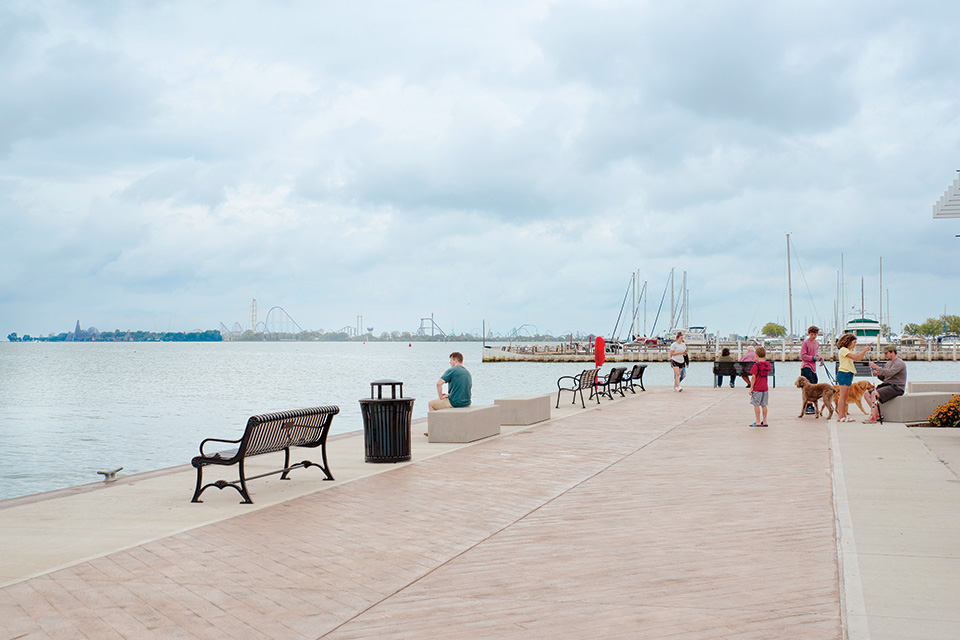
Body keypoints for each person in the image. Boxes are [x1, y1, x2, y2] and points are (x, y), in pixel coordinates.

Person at [863, 346, 907, 423]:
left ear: (892, 352)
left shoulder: (899, 363)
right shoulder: (888, 363)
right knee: (866, 393)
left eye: (886, 353)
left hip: (897, 387)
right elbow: (885, 377)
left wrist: (876, 367)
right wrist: (878, 375)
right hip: (887, 385)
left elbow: (890, 373)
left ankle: (872, 417)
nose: (885, 355)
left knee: (874, 394)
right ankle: (877, 415)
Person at [836, 333, 870, 423]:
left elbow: (858, 359)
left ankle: (844, 416)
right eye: (854, 342)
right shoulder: (843, 350)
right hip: (844, 373)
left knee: (845, 396)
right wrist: (863, 350)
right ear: (848, 342)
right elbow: (855, 357)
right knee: (842, 397)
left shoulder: (849, 350)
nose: (855, 344)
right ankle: (840, 416)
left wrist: (864, 352)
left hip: (849, 374)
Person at [800, 326, 822, 414]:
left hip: (813, 368)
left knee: (815, 384)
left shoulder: (817, 343)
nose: (813, 336)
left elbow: (815, 355)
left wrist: (819, 358)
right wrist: (813, 358)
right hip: (806, 366)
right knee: (808, 387)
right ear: (809, 334)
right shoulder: (805, 343)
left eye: (815, 334)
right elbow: (803, 355)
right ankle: (808, 406)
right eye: (812, 334)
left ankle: (811, 404)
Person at [749, 346, 771, 427]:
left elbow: (753, 377)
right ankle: (765, 421)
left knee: (756, 404)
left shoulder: (756, 365)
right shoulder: (767, 365)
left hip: (757, 388)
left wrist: (751, 388)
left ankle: (758, 421)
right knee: (764, 405)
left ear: (757, 355)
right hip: (765, 387)